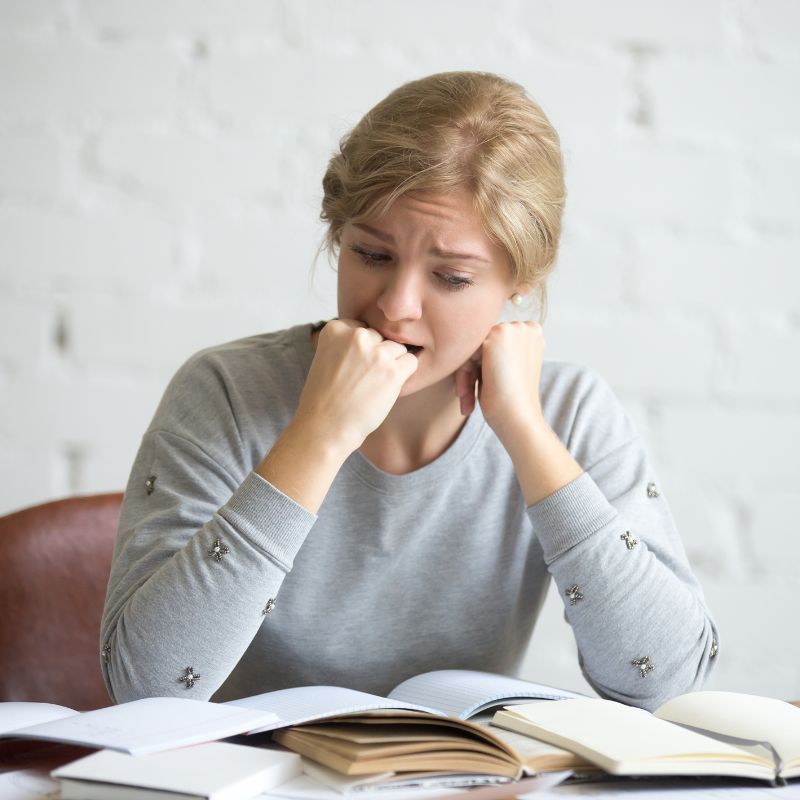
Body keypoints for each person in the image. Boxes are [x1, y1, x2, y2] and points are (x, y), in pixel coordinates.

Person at [100, 71, 718, 712]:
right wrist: (318, 435)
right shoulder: (227, 391)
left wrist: (528, 437)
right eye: (371, 255)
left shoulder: (570, 414)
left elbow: (664, 678)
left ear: (520, 281)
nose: (395, 307)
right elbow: (145, 684)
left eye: (450, 277)